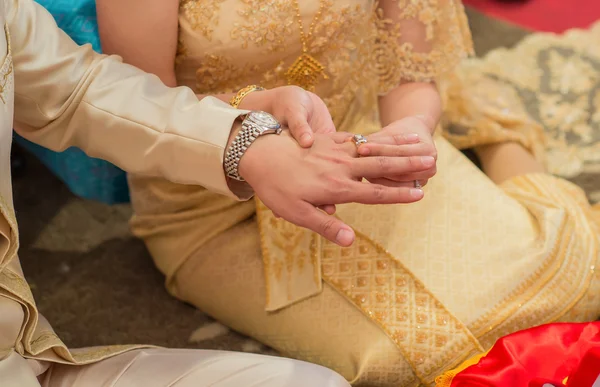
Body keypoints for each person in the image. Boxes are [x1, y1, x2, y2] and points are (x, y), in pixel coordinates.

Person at [96, 0, 600, 386]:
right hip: (214, 195)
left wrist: (411, 131)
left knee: (576, 269)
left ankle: (495, 133)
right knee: (416, 355)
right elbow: (135, 104)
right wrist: (255, 112)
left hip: (363, 148)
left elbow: (409, 76)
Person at [0, 0, 436, 385]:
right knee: (414, 350)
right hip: (203, 205)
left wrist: (408, 133)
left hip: (351, 158)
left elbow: (77, 90)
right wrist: (256, 132)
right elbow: (135, 86)